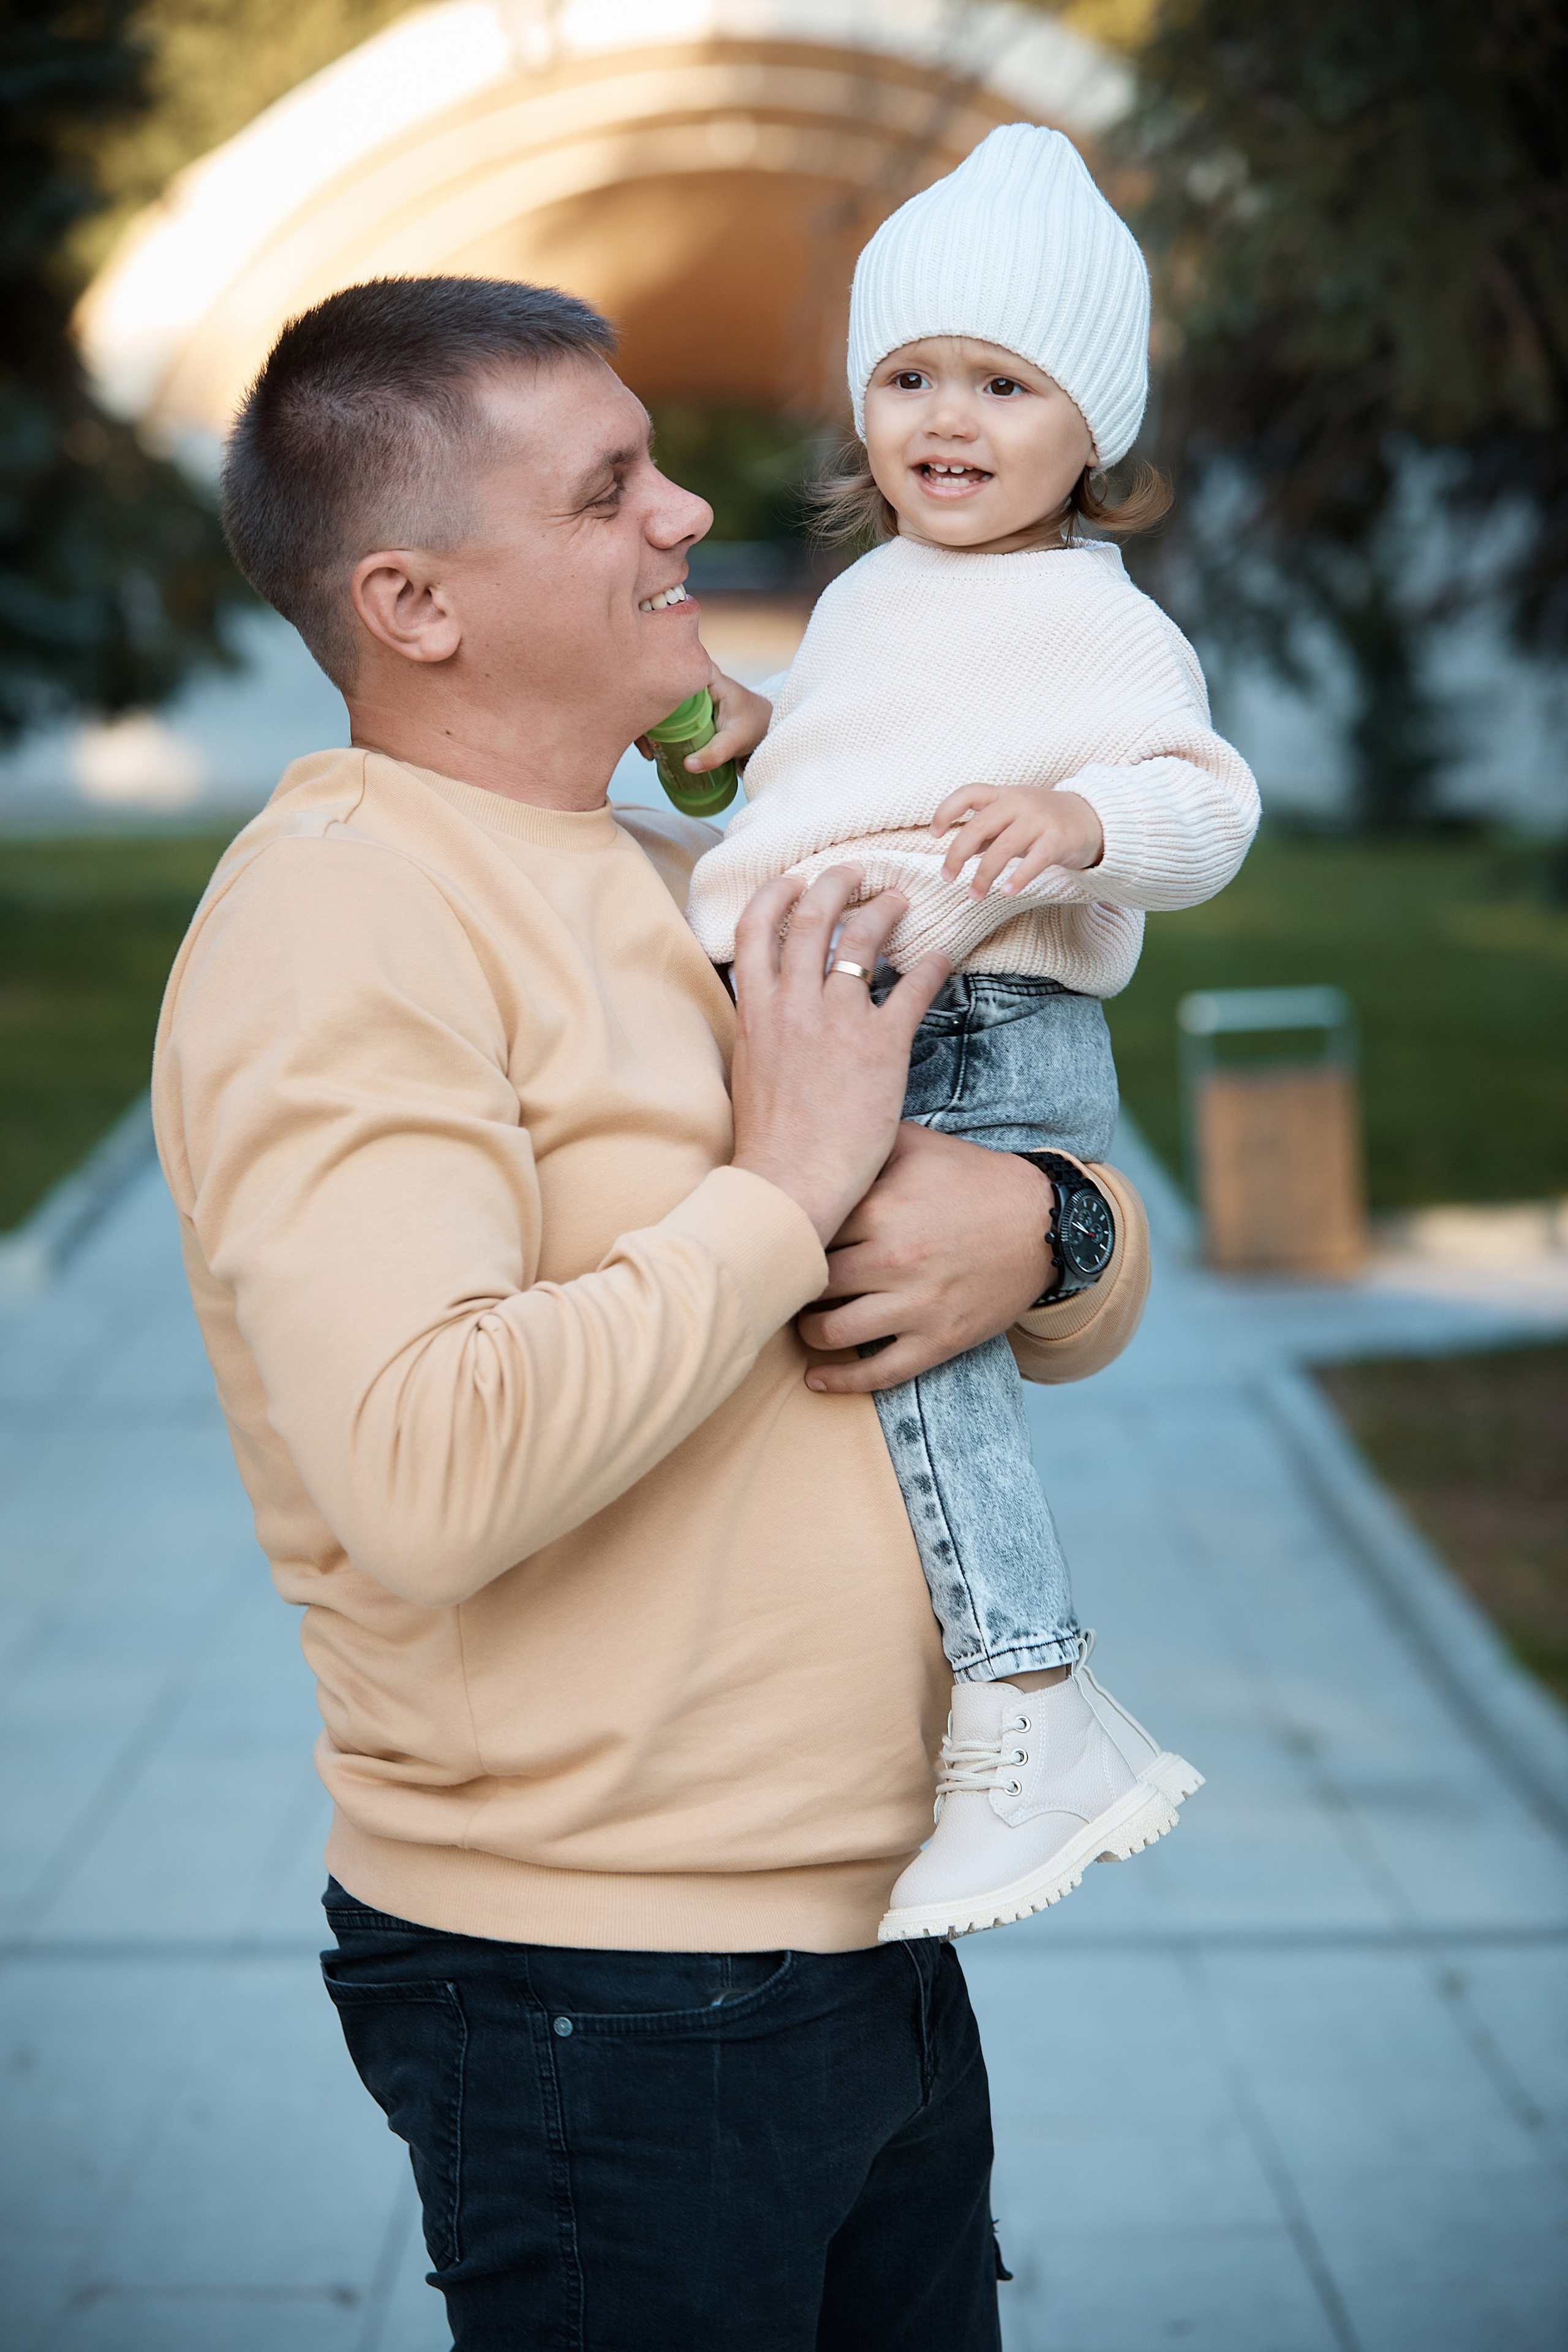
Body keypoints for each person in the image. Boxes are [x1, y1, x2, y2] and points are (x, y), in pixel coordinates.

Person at [153, 273, 1152, 2351]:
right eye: (609, 490)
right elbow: (428, 1472)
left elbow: (1023, 1246)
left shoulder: (668, 872)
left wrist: (1048, 1231)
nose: (689, 512)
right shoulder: (343, 913)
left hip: (866, 1937)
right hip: (598, 1994)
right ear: (414, 603)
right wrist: (782, 1185)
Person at [687, 126, 1259, 1945]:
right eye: (911, 376)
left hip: (970, 1011)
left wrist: (1085, 821)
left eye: (1005, 386)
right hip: (859, 990)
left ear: (1095, 433)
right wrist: (761, 731)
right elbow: (862, 754)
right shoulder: (875, 596)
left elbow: (1210, 806)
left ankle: (1030, 1689)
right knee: (845, 1333)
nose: (947, 418)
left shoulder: (1094, 617)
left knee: (909, 1334)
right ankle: (942, 1688)